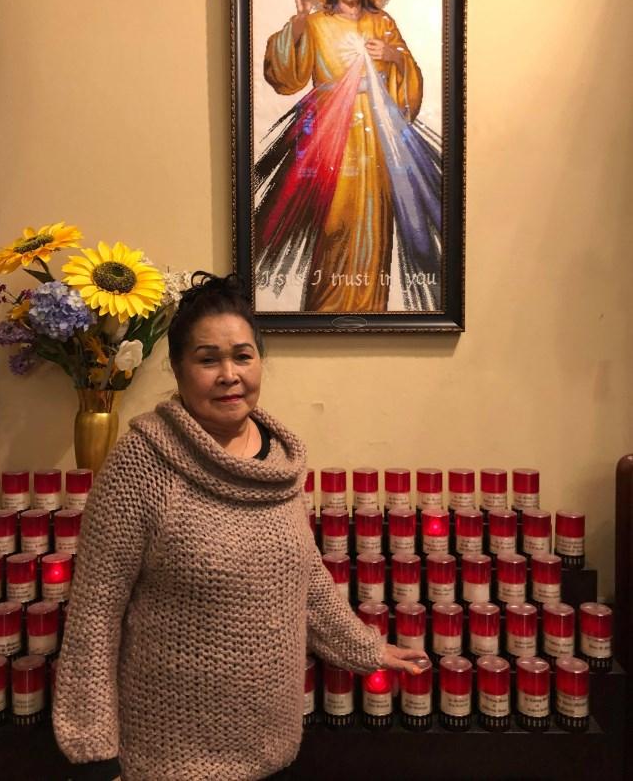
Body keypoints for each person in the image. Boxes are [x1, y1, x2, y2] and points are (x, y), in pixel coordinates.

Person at [53, 272, 426, 781]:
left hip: (274, 749)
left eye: (243, 356)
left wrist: (368, 648)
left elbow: (305, 580)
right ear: (178, 369)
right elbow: (95, 614)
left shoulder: (280, 464)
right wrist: (94, 753)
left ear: (260, 363)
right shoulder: (141, 464)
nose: (229, 374)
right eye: (208, 359)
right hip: (168, 760)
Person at [255, 0, 442, 314]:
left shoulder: (382, 22)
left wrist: (393, 56)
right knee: (334, 223)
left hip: (377, 140)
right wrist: (299, 21)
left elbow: (409, 84)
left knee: (375, 224)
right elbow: (285, 77)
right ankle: (324, 311)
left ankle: (370, 311)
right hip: (331, 137)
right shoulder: (317, 24)